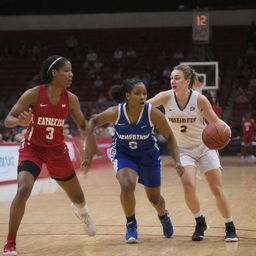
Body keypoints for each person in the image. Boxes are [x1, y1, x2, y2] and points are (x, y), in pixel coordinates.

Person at [2, 55, 99, 256]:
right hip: (32, 148)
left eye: (71, 70)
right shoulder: (33, 94)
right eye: (67, 70)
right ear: (54, 73)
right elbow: (8, 120)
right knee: (23, 189)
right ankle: (10, 242)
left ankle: (82, 212)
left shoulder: (71, 99)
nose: (71, 74)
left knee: (79, 198)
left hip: (57, 151)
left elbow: (83, 126)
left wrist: (89, 145)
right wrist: (19, 122)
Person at [83, 78, 184, 244]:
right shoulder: (116, 112)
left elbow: (170, 137)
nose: (142, 96)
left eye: (144, 93)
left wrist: (177, 161)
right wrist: (88, 149)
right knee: (127, 184)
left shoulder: (153, 113)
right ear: (128, 96)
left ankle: (163, 215)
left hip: (148, 156)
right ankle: (131, 223)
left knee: (154, 199)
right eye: (138, 93)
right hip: (124, 154)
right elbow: (93, 120)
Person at [147, 64, 239, 242]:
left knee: (216, 189)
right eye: (172, 78)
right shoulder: (165, 97)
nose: (173, 81)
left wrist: (224, 128)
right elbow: (144, 106)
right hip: (182, 150)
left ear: (187, 81)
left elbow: (215, 120)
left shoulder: (199, 100)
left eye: (177, 78)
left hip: (205, 147)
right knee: (188, 186)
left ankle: (230, 225)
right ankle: (200, 221)